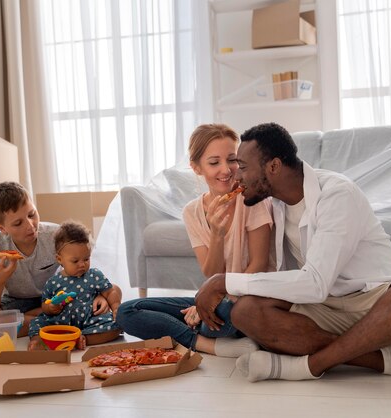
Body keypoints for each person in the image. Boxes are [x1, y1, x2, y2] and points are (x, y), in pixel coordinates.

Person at [195, 122, 391, 387]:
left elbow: (315, 284)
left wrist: (223, 281)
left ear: (273, 167)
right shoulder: (274, 205)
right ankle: (389, 362)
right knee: (246, 312)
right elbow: (289, 283)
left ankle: (310, 365)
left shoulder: (336, 193)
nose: (236, 176)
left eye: (242, 166)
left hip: (382, 308)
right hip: (325, 312)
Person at [117, 123, 274, 357]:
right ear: (197, 168)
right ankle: (207, 344)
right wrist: (217, 235)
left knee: (220, 313)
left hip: (250, 299)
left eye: (232, 159)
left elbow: (259, 265)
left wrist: (208, 303)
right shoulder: (192, 212)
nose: (226, 170)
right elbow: (211, 273)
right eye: (214, 162)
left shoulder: (252, 199)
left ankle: (202, 335)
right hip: (220, 297)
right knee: (127, 312)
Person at [0, 181, 116, 337]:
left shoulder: (56, 235)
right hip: (17, 302)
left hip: (58, 297)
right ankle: (59, 323)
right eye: (18, 223)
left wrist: (100, 295)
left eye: (32, 214)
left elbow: (87, 271)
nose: (30, 225)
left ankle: (46, 324)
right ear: (2, 228)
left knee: (112, 290)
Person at [27, 221, 121, 350]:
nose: (82, 264)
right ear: (60, 259)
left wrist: (116, 307)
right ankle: (38, 341)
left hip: (89, 320)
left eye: (86, 259)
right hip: (60, 323)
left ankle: (82, 339)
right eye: (75, 261)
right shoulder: (53, 282)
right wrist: (51, 307)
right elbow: (45, 304)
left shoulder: (94, 275)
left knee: (117, 324)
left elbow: (110, 292)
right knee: (36, 322)